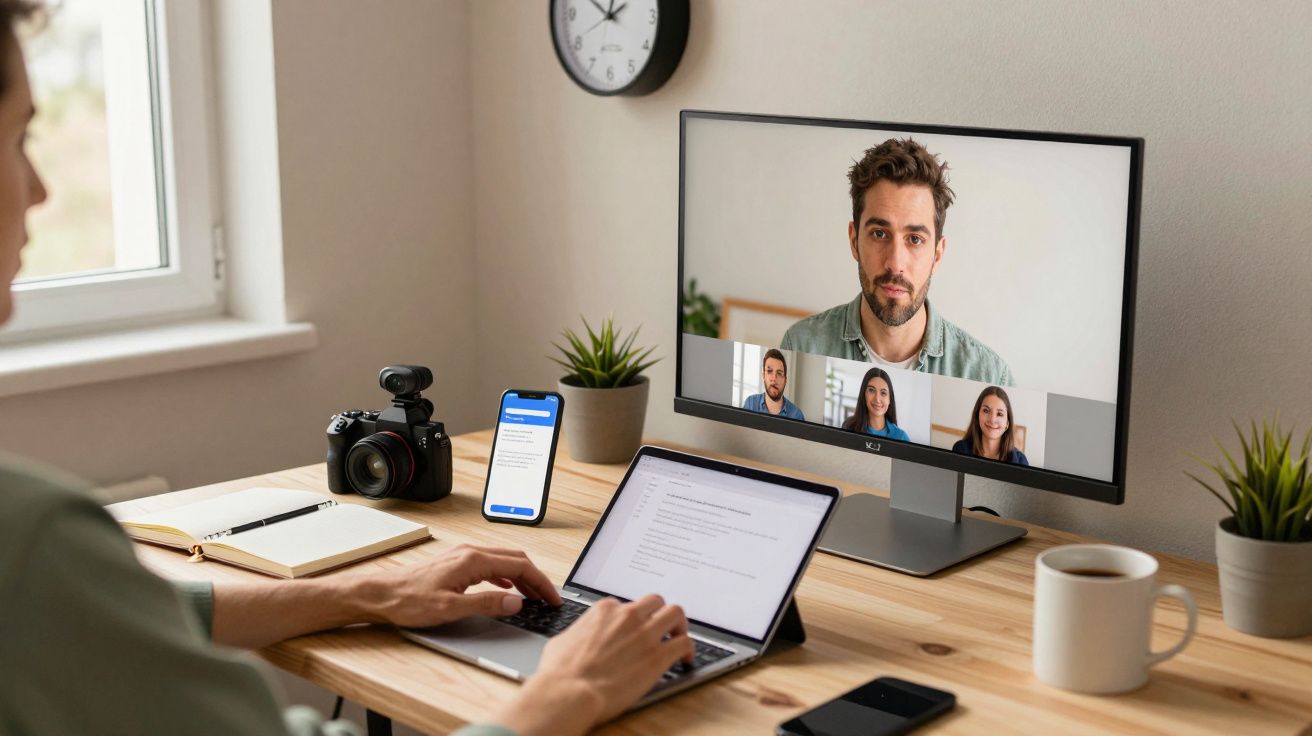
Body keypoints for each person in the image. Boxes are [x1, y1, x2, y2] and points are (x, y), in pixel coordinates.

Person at [0, 4, 692, 734]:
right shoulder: (33, 540)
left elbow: (117, 624)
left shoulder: (38, 564)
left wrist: (369, 594)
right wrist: (568, 694)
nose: (41, 189)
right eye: (19, 137)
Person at [780, 138, 1013, 386]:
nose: (895, 263)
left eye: (914, 239)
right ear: (854, 240)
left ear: (937, 254)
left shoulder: (989, 378)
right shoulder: (800, 346)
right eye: (879, 234)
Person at [952, 386, 1029, 465]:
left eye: (999, 414)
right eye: (986, 410)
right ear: (977, 415)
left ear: (1007, 423)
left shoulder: (1020, 461)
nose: (992, 420)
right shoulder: (960, 449)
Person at [840, 367, 910, 441]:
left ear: (890, 400)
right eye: (871, 390)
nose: (877, 399)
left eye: (883, 393)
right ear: (864, 394)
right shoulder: (849, 426)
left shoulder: (901, 437)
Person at [740, 348, 805, 420]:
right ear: (763, 376)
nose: (774, 378)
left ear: (785, 380)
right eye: (769, 371)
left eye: (779, 373)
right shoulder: (750, 404)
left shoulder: (797, 415)